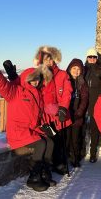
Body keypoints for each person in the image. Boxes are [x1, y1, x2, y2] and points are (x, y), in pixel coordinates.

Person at [0, 58, 55, 192]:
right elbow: (4, 86)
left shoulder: (37, 93)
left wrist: (47, 123)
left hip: (31, 130)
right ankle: (34, 178)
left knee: (49, 142)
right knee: (41, 144)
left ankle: (44, 172)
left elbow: (40, 113)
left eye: (38, 79)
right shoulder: (16, 92)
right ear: (27, 80)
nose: (35, 82)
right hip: (18, 132)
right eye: (32, 79)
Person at [33, 46, 73, 175]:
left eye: (51, 59)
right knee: (50, 141)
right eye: (46, 60)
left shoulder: (62, 74)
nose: (50, 62)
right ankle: (48, 165)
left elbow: (67, 92)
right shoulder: (38, 75)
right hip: (44, 115)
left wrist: (63, 107)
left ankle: (59, 163)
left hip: (59, 114)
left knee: (60, 141)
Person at [84, 47, 101, 163]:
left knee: (94, 129)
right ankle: (80, 151)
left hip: (95, 104)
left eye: (94, 57)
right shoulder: (83, 69)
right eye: (90, 57)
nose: (92, 59)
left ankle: (93, 153)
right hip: (83, 104)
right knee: (81, 129)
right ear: (87, 58)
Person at [66, 58, 89, 167]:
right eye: (74, 68)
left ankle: (75, 158)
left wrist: (79, 112)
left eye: (78, 69)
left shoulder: (82, 83)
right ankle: (65, 158)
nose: (76, 71)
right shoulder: (65, 80)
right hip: (65, 115)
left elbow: (84, 99)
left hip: (77, 115)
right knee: (66, 139)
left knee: (75, 139)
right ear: (70, 68)